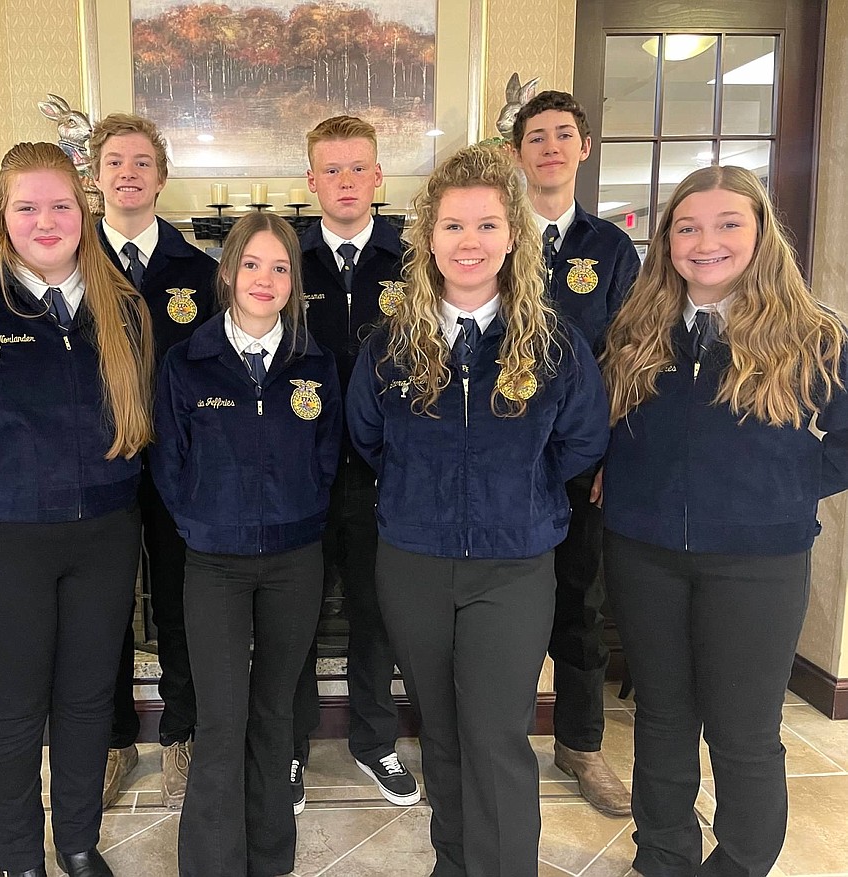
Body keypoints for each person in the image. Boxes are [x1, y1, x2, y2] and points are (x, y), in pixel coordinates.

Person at [347, 144, 609, 875]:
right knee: (443, 734)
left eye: (487, 226)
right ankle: (455, 861)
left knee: (494, 734)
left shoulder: (554, 344)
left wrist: (517, 488)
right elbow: (369, 438)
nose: (470, 242)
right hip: (414, 564)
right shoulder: (389, 346)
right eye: (454, 226)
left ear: (513, 237)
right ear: (428, 237)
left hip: (513, 565)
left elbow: (582, 440)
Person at [0, 142, 154, 877]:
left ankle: (77, 844)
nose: (46, 221)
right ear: (1, 216)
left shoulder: (124, 306)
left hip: (105, 532)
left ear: (85, 212)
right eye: (27, 207)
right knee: (13, 713)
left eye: (61, 205)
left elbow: (139, 411)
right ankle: (19, 861)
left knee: (85, 702)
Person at [599, 165, 848, 877]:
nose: (706, 241)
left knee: (742, 730)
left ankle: (740, 860)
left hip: (757, 563)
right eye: (688, 226)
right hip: (644, 552)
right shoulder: (636, 329)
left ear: (762, 233)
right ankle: (664, 854)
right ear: (667, 241)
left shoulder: (813, 335)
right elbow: (605, 427)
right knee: (663, 718)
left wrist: (792, 485)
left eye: (728, 223)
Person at [150, 212, 341, 877]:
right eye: (252, 265)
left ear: (294, 283)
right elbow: (169, 462)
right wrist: (204, 519)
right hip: (216, 564)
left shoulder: (315, 364)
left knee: (274, 710)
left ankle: (270, 856)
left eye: (280, 267)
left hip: (295, 560)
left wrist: (303, 510)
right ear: (228, 274)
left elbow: (328, 454)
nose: (265, 279)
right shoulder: (187, 364)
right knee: (222, 716)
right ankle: (212, 863)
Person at [511, 89, 640, 817]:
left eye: (564, 135)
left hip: (580, 467)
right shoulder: (495, 236)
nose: (551, 147)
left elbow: (629, 358)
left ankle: (582, 745)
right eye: (537, 137)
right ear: (517, 153)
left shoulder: (612, 249)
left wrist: (610, 458)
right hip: (503, 466)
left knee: (580, 608)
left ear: (583, 148)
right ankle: (498, 739)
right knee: (507, 610)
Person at [88, 112, 218, 810]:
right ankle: (113, 739)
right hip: (95, 471)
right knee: (105, 608)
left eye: (142, 162)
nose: (129, 172)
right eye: (116, 161)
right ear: (97, 175)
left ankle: (182, 734)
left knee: (179, 605)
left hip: (179, 471)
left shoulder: (200, 272)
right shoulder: (69, 266)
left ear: (161, 178)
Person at [291, 114, 420, 812]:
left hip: (384, 477)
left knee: (377, 615)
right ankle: (290, 749)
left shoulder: (415, 258)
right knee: (297, 618)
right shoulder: (281, 258)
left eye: (357, 168)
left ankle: (375, 743)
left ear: (377, 177)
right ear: (311, 181)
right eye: (330, 170)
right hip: (299, 478)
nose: (345, 181)